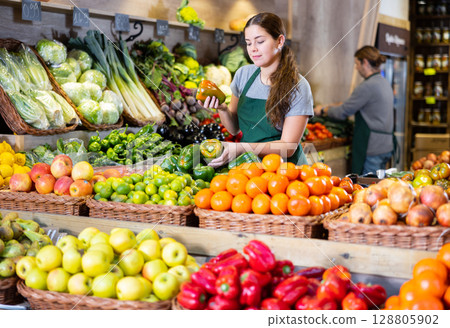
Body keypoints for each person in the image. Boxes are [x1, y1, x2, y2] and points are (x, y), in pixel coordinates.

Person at [199, 12, 314, 168]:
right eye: (248, 43)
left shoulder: (298, 86)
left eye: (259, 41)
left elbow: (288, 147)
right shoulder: (243, 75)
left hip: (286, 172)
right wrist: (222, 108)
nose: (252, 49)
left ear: (279, 41)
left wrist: (241, 148)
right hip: (250, 167)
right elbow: (233, 129)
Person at [313, 45, 395, 175]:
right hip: (385, 146)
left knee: (367, 188)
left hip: (372, 147)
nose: (356, 68)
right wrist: (333, 105)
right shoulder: (384, 83)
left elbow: (343, 112)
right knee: (378, 186)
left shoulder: (367, 86)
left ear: (365, 62)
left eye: (357, 64)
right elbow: (355, 105)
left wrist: (322, 111)